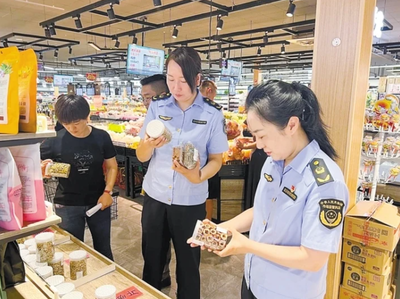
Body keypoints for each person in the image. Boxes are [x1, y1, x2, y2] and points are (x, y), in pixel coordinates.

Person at [189, 80, 349, 299]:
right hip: (254, 281)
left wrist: (247, 245)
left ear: (291, 125)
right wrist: (224, 228)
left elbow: (313, 259)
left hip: (288, 292)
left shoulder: (325, 182)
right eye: (254, 136)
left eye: (262, 135)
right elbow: (262, 211)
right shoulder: (274, 161)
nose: (259, 144)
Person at [136, 47, 228, 299]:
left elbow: (217, 160)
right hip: (155, 197)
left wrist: (197, 176)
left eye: (183, 81)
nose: (176, 87)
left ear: (197, 79)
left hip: (190, 201)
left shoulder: (212, 113)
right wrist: (147, 144)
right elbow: (142, 156)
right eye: (170, 79)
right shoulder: (157, 106)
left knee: (188, 266)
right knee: (152, 259)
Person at [40, 95, 118, 261]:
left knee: (103, 249)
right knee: (71, 250)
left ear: (87, 116)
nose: (72, 128)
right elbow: (36, 163)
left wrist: (107, 191)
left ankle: (109, 281)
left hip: (98, 201)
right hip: (67, 204)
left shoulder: (101, 137)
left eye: (76, 123)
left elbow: (112, 166)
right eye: (67, 124)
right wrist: (43, 167)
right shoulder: (55, 140)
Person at [139, 74, 172, 288]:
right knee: (152, 244)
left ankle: (164, 274)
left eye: (148, 97)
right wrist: (149, 144)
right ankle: (154, 283)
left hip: (184, 195)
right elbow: (142, 155)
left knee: (184, 251)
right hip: (154, 191)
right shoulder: (150, 120)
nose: (145, 102)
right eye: (143, 98)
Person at [199, 80, 219, 220]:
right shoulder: (213, 110)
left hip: (195, 158)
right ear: (209, 90)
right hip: (208, 158)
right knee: (208, 196)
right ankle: (206, 226)